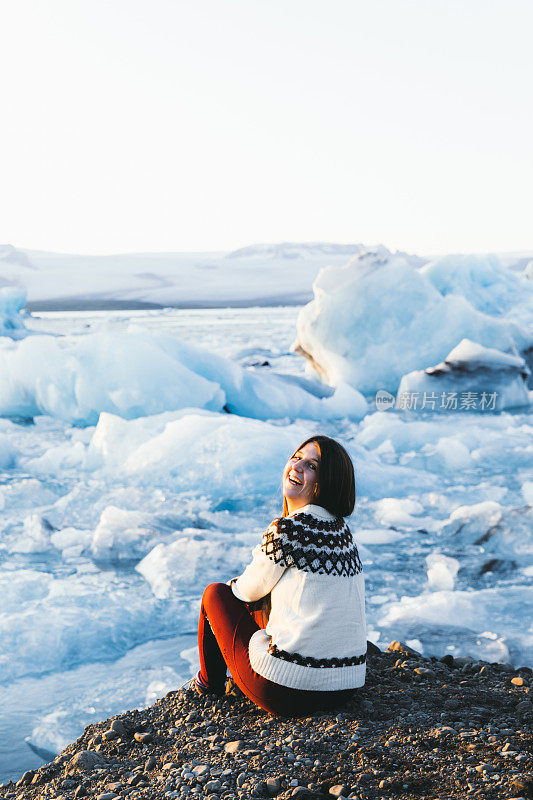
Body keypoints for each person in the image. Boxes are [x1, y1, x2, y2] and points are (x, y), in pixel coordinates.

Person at [194, 435, 366, 716]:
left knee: (215, 594)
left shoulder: (291, 529)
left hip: (287, 691)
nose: (297, 466)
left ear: (325, 483)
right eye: (297, 457)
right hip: (345, 687)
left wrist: (233, 591)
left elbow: (246, 592)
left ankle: (207, 684)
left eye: (311, 465)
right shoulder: (343, 534)